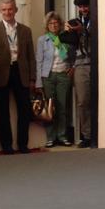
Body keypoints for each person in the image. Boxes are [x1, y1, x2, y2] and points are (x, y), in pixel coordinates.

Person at [0, 0, 36, 155]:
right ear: (0, 11)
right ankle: (6, 146)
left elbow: (31, 56)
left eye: (10, 9)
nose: (7, 12)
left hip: (21, 73)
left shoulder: (26, 30)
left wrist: (33, 78)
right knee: (3, 112)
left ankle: (23, 145)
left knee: (24, 111)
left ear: (15, 10)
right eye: (4, 9)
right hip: (0, 74)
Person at [34, 11, 78, 147]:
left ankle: (62, 136)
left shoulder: (67, 37)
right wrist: (38, 82)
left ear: (60, 24)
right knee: (50, 108)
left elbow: (74, 55)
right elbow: (39, 61)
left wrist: (73, 67)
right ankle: (50, 137)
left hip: (63, 76)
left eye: (56, 23)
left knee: (63, 107)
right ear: (47, 25)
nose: (53, 25)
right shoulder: (43, 40)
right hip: (48, 76)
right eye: (50, 23)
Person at [71, 0, 93, 148]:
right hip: (80, 64)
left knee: (98, 100)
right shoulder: (76, 22)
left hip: (98, 63)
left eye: (85, 6)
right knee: (82, 101)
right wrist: (71, 33)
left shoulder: (97, 19)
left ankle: (100, 133)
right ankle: (87, 135)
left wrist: (83, 30)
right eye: (80, 7)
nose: (83, 9)